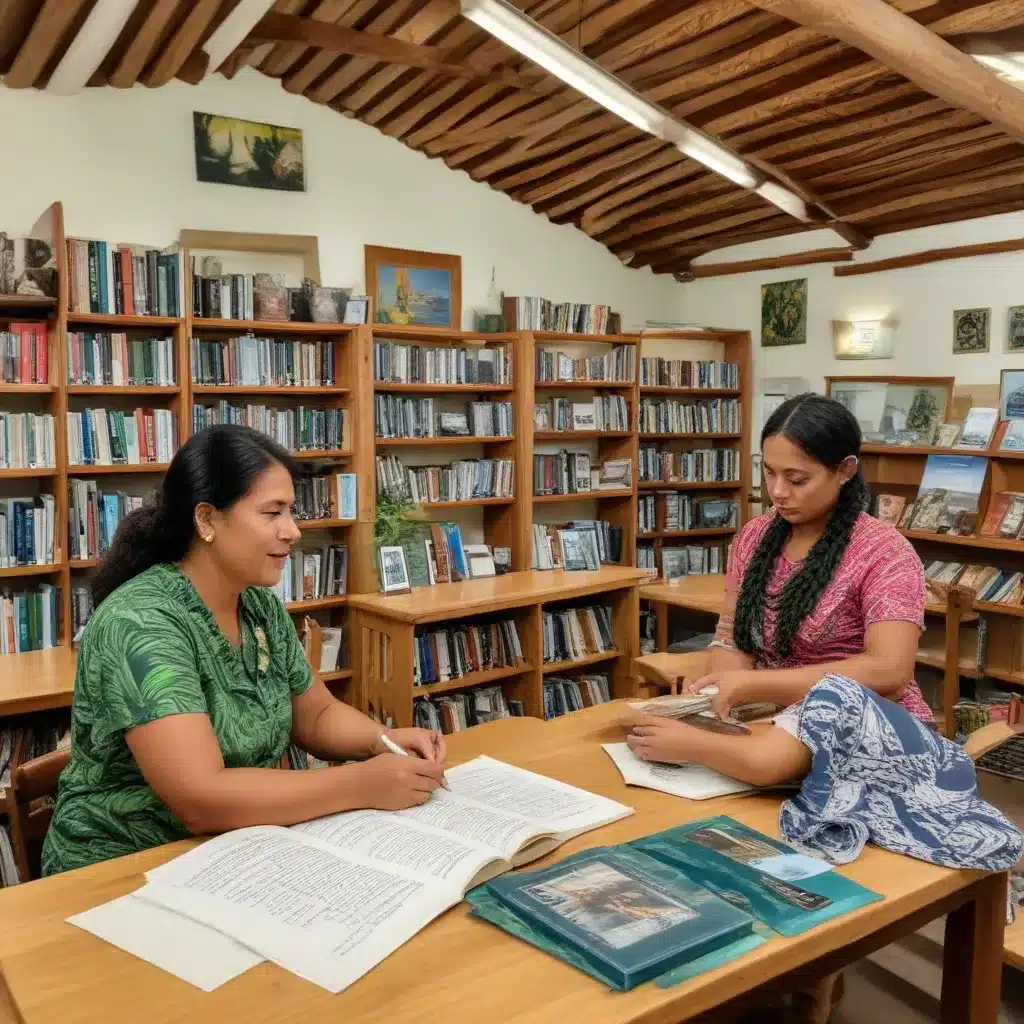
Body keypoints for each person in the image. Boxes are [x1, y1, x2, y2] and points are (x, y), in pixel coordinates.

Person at [43, 425, 446, 876]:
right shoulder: (140, 623)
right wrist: (361, 784)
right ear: (206, 520)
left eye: (291, 512)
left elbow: (315, 715)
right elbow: (200, 797)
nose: (293, 531)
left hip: (229, 851)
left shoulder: (258, 607)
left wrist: (382, 741)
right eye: (273, 512)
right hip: (116, 869)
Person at [627, 392, 930, 783]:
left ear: (845, 469)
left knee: (765, 755)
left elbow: (890, 670)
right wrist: (723, 698)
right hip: (769, 716)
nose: (778, 491)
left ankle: (704, 747)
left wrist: (751, 685)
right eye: (769, 473)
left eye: (797, 478)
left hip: (866, 719)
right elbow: (732, 638)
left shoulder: (885, 552)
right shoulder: (755, 537)